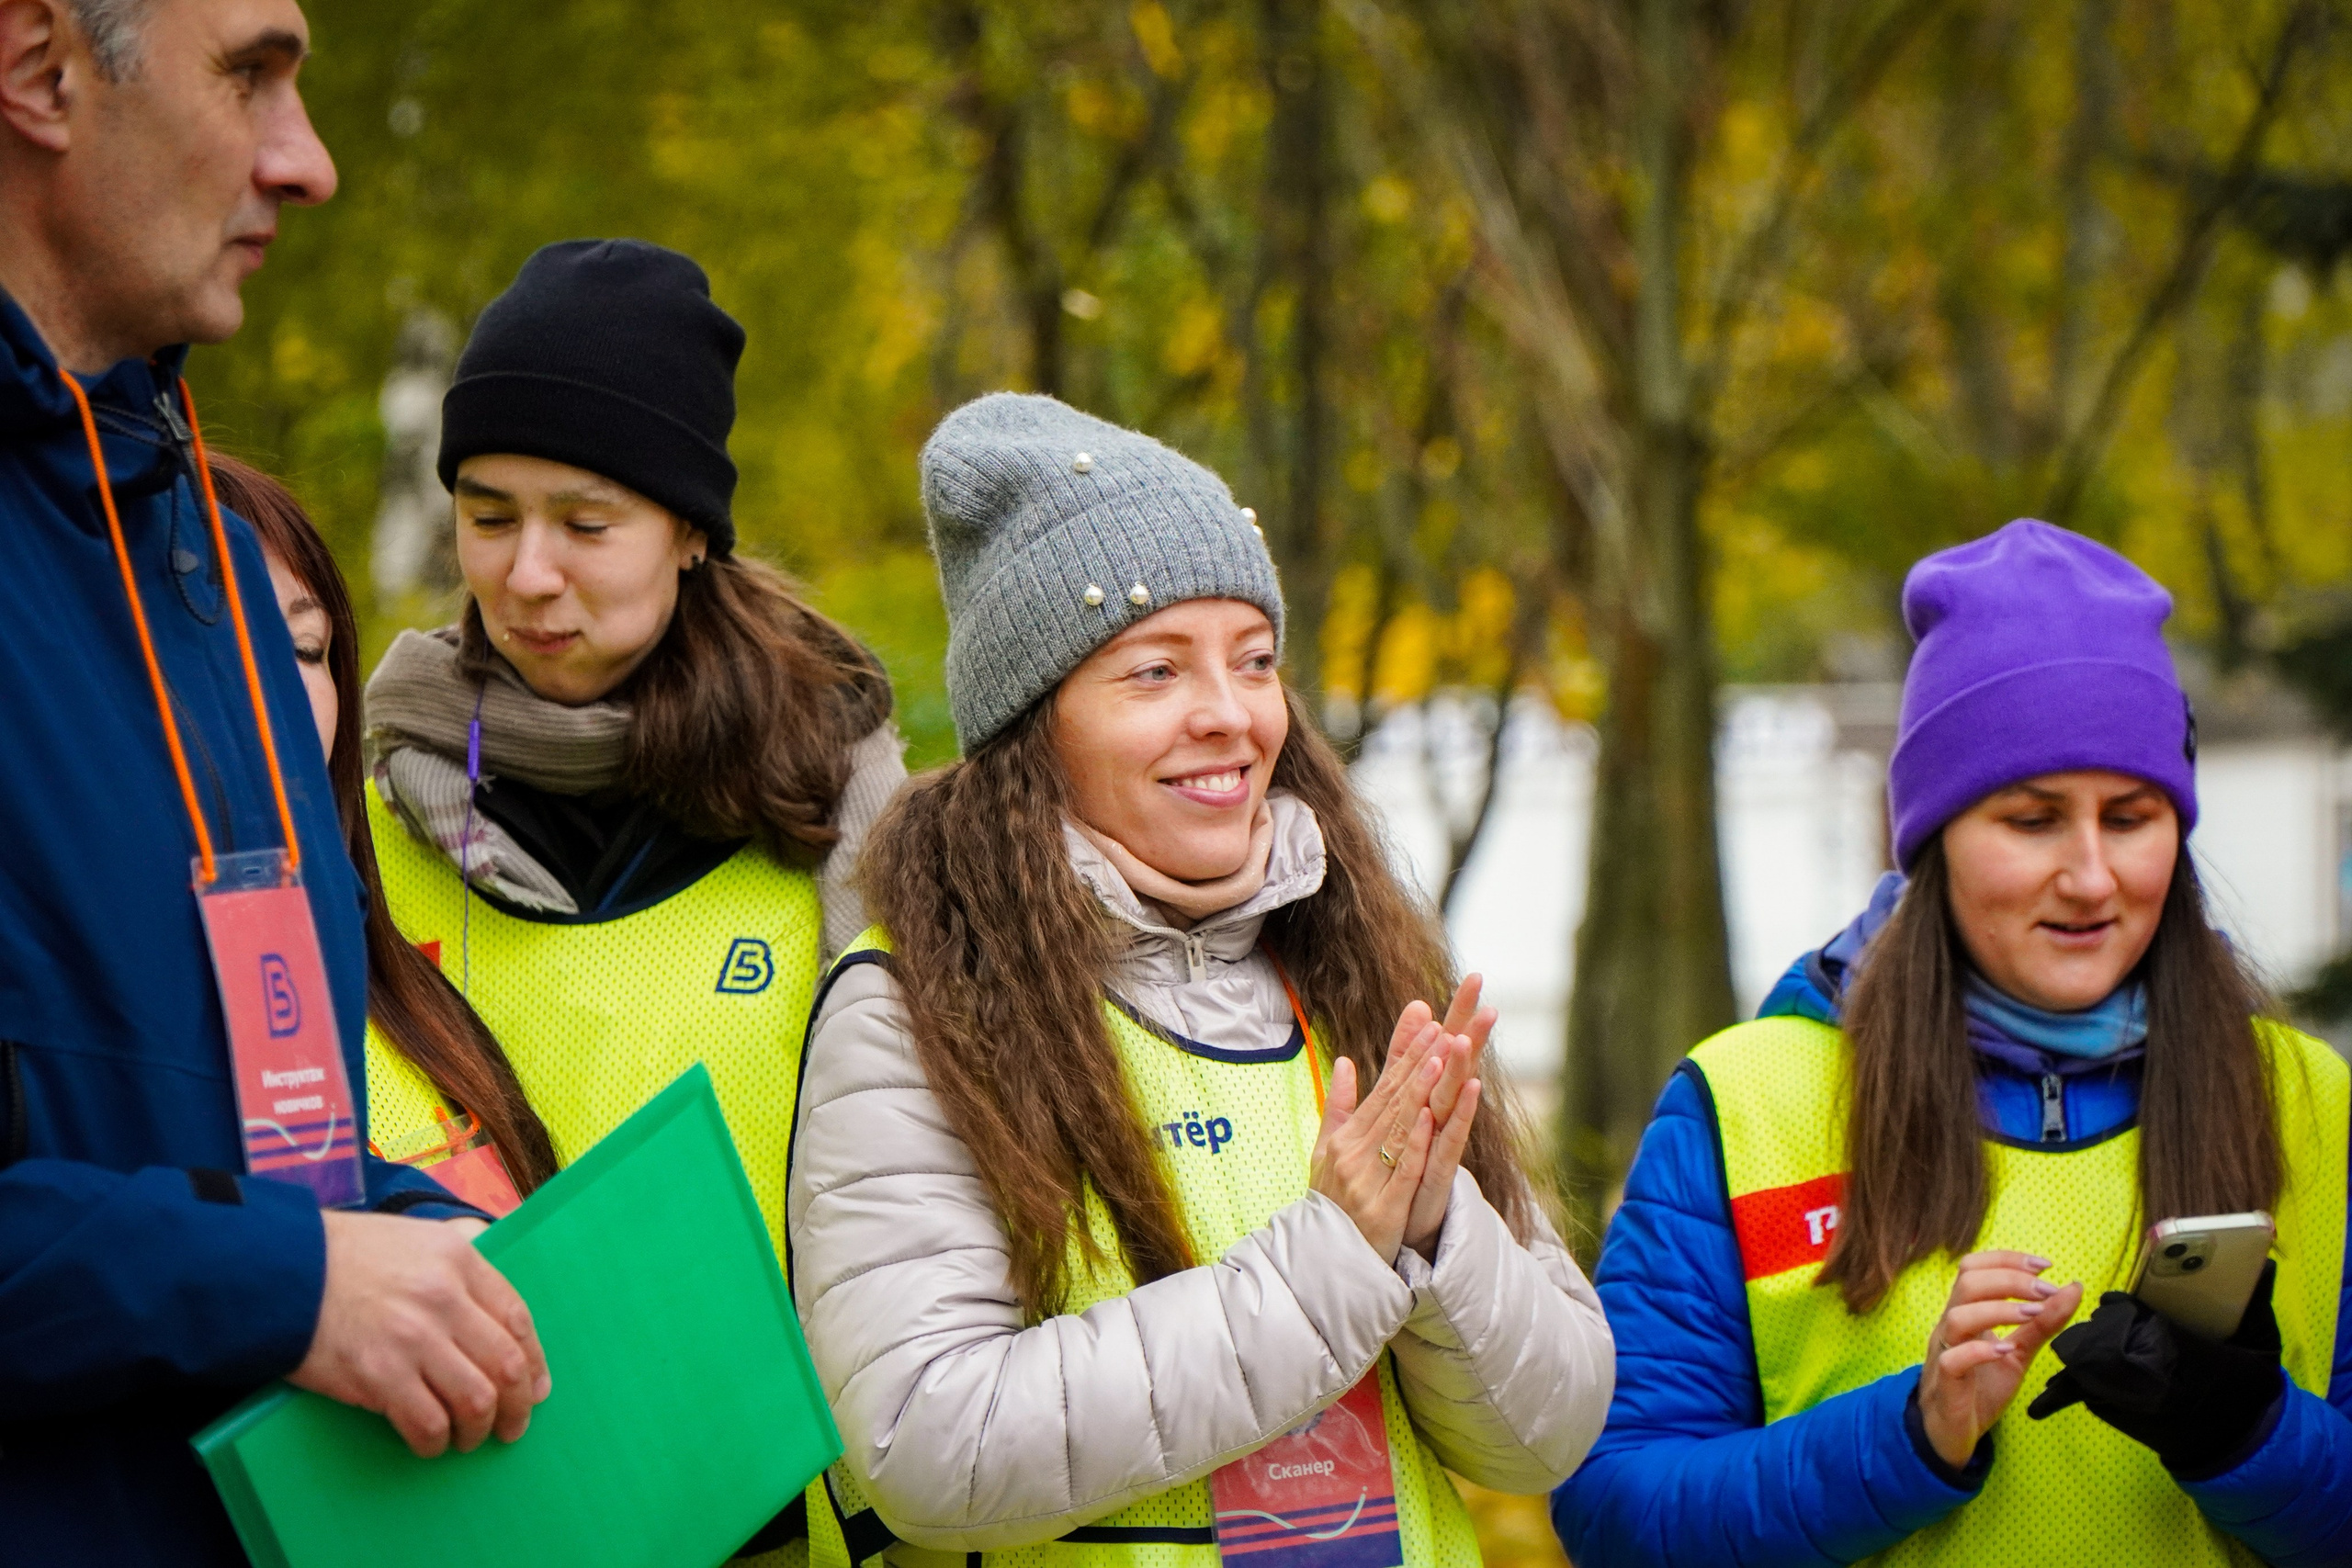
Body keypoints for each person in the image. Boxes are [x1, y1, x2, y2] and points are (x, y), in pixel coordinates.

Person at [788, 392, 1614, 1568]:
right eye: (1155, 672)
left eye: (1255, 661)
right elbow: (931, 1444)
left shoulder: (1360, 963)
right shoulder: (912, 1006)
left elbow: (1549, 1435)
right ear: (1035, 728)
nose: (1228, 716)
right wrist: (1333, 1262)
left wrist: (1432, 1230)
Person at [0, 1, 547, 1561]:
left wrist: (433, 1245)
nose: (307, 163)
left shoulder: (223, 588)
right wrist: (286, 1283)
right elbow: (244, 1243)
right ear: (41, 70)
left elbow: (228, 1134)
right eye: (250, 74)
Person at [1552, 519, 2352, 1567]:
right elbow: (1613, 1512)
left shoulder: (2305, 1097)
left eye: (2130, 816)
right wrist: (1910, 1433)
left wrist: (2251, 1434)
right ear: (1931, 840)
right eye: (2031, 820)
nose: (2091, 875)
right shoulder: (1748, 1103)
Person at [358, 238, 902, 1384]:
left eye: (586, 523)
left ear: (691, 531)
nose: (528, 574)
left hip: (792, 1504)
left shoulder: (835, 797)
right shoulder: (370, 806)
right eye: (489, 516)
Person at [210, 453, 559, 1211]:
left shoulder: (400, 987)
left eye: (307, 650)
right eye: (230, 646)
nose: (282, 688)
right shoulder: (130, 1029)